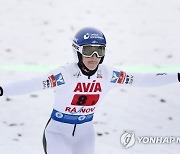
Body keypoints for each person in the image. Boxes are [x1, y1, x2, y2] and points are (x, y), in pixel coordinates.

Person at [0, 27, 180, 154]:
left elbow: (142, 79)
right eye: (88, 51)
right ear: (77, 52)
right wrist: (2, 90)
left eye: (99, 51)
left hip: (85, 134)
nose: (94, 57)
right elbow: (34, 83)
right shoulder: (66, 74)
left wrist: (177, 76)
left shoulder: (108, 74)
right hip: (57, 134)